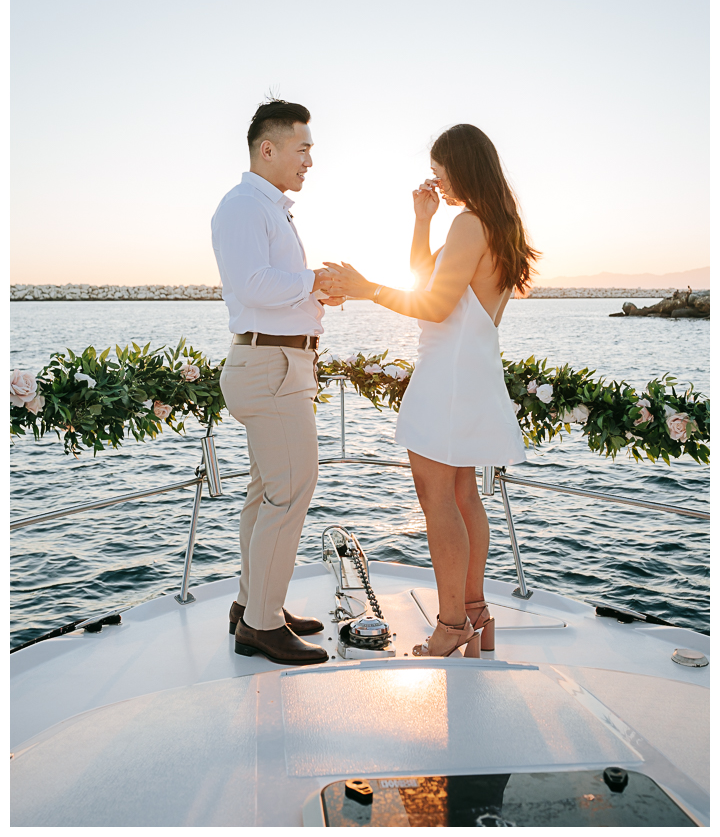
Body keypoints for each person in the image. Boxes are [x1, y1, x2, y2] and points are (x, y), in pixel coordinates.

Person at [324, 123, 538, 659]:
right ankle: (474, 614)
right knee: (464, 494)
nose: (435, 182)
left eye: (440, 173)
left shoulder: (469, 224)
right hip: (473, 371)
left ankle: (450, 625)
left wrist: (365, 288)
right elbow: (427, 277)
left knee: (437, 496)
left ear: (463, 168)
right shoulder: (492, 224)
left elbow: (435, 306)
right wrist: (422, 222)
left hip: (447, 376)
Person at [211, 99, 344, 665]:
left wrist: (315, 290)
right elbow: (255, 286)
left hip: (277, 364)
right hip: (272, 369)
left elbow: (272, 289)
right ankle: (262, 627)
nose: (310, 160)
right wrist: (315, 279)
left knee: (266, 494)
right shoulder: (246, 205)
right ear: (268, 149)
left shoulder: (265, 206)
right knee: (290, 493)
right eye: (303, 148)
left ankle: (253, 606)